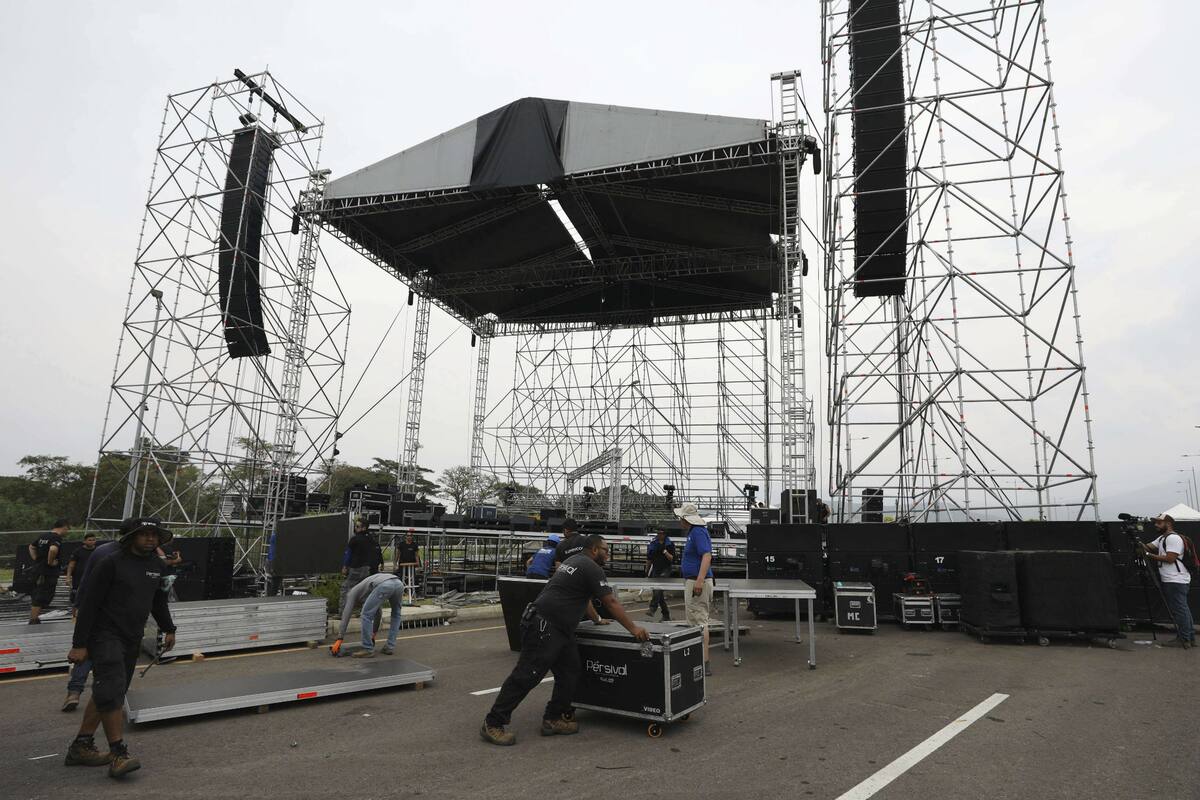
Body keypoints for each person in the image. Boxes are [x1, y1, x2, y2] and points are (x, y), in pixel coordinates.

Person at [481, 534, 649, 746]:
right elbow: (611, 602)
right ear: (594, 550)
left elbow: (583, 597)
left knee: (570, 672)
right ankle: (493, 722)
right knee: (527, 675)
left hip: (560, 629)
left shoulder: (574, 561)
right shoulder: (591, 567)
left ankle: (552, 719)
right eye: (605, 550)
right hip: (545, 626)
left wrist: (597, 619)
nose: (608, 555)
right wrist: (634, 629)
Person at [64, 517, 176, 778]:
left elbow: (158, 601)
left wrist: (169, 628)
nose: (150, 539)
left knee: (111, 690)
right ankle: (118, 754)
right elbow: (89, 604)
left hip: (131, 636)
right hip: (105, 635)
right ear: (131, 537)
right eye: (144, 534)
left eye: (154, 534)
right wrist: (79, 644)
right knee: (111, 688)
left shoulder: (157, 565)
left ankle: (81, 745)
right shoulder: (110, 563)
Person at [1138, 513, 1195, 649]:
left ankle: (1184, 639)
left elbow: (1170, 558)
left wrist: (1147, 555)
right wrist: (1137, 541)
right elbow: (1148, 546)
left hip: (1176, 579)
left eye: (1159, 522)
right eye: (1155, 522)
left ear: (1168, 523)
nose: (1156, 525)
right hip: (1173, 579)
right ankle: (1189, 638)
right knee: (1183, 609)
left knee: (1179, 610)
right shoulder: (1162, 538)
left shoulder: (1173, 538)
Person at [675, 502, 714, 676]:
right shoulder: (695, 532)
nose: (680, 521)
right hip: (695, 580)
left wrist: (699, 580)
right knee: (696, 620)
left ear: (686, 519)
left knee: (698, 621)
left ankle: (703, 662)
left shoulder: (697, 532)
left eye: (681, 518)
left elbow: (707, 555)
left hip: (697, 581)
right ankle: (699, 660)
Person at [331, 572, 405, 658]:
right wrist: (373, 634)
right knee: (396, 614)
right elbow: (378, 612)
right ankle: (389, 647)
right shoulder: (365, 592)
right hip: (398, 583)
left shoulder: (351, 594)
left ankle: (368, 649)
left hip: (384, 584)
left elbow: (346, 615)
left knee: (365, 615)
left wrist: (339, 638)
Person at [28, 518, 69, 623]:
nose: (67, 532)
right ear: (64, 527)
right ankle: (33, 619)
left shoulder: (43, 536)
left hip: (38, 569)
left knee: (38, 593)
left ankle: (34, 617)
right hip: (47, 572)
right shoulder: (56, 537)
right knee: (42, 595)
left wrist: (36, 559)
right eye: (67, 529)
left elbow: (31, 547)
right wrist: (50, 562)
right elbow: (53, 549)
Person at [341, 518, 381, 613]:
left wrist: (345, 566)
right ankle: (363, 611)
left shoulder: (355, 539)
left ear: (364, 528)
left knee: (346, 589)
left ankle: (343, 612)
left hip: (356, 568)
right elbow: (376, 554)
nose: (355, 528)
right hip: (367, 569)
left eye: (357, 526)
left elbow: (348, 553)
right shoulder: (371, 539)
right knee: (364, 591)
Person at [645, 528, 676, 621]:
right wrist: (647, 570)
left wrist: (665, 551)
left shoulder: (670, 544)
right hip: (655, 569)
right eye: (658, 533)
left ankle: (652, 608)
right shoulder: (653, 544)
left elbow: (672, 558)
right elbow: (649, 558)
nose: (660, 535)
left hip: (666, 569)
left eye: (662, 533)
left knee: (658, 589)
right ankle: (666, 615)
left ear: (665, 534)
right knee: (658, 593)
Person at [66, 532, 99, 613]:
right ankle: (75, 615)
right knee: (76, 597)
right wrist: (68, 577)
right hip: (79, 578)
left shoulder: (98, 551)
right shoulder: (78, 551)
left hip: (93, 577)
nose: (92, 542)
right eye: (89, 540)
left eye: (93, 540)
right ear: (84, 541)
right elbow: (71, 565)